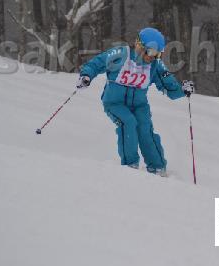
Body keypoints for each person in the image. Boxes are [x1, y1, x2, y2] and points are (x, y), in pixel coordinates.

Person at [76, 27, 194, 176]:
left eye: (158, 54)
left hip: (139, 106)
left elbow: (168, 85)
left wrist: (182, 89)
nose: (153, 57)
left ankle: (157, 167)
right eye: (151, 52)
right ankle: (130, 166)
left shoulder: (155, 66)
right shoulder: (121, 54)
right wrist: (86, 75)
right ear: (139, 46)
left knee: (145, 129)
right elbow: (97, 63)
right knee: (128, 122)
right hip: (114, 103)